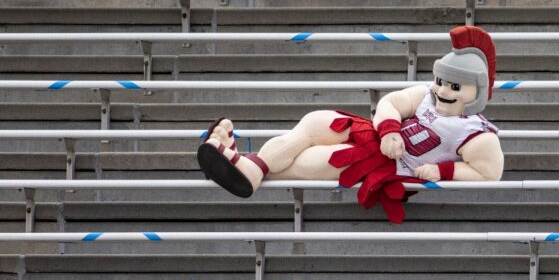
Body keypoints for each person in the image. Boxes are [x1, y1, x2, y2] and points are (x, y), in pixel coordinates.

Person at [198, 25, 504, 223]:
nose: (442, 91)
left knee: (321, 160)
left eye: (454, 87)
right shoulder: (425, 94)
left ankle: (247, 165)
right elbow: (391, 103)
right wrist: (389, 130)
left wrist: (442, 171)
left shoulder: (478, 134)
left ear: (475, 92)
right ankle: (251, 168)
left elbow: (489, 174)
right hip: (376, 136)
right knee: (317, 121)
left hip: (389, 165)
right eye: (441, 81)